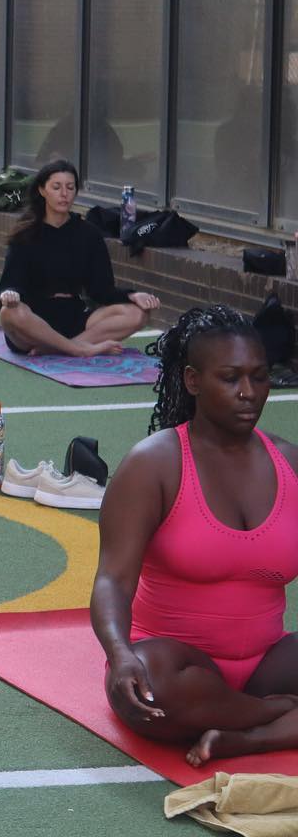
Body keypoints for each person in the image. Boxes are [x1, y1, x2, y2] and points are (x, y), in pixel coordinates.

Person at [92, 305, 298, 768]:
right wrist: (120, 654)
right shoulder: (154, 463)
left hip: (268, 662)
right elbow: (113, 580)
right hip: (174, 667)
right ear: (192, 381)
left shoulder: (290, 461)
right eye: (230, 378)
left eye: (260, 377)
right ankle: (277, 717)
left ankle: (246, 738)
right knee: (151, 692)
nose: (249, 393)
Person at [0, 159, 159, 356]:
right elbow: (10, 283)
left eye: (70, 187)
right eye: (56, 187)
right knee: (9, 313)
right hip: (33, 320)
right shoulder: (26, 233)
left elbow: (102, 290)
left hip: (74, 316)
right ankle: (77, 350)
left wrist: (132, 295)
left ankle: (58, 347)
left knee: (137, 313)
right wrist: (10, 294)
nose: (64, 194)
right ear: (42, 190)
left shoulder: (88, 234)